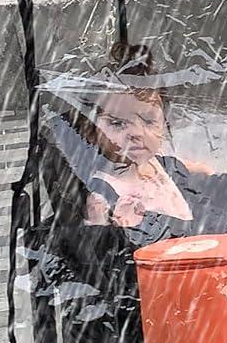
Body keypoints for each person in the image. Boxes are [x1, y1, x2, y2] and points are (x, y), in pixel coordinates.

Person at [71, 43, 215, 244]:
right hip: (160, 267)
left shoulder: (161, 165)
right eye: (117, 123)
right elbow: (102, 250)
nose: (137, 133)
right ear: (91, 131)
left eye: (148, 121)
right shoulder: (103, 194)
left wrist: (210, 176)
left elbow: (202, 170)